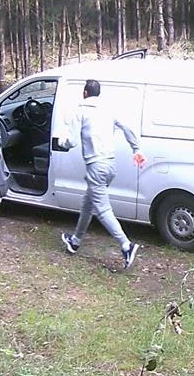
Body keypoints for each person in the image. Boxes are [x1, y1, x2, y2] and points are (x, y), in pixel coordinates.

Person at [56, 79, 146, 269]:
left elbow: (71, 142)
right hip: (110, 166)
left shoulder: (79, 110)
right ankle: (75, 241)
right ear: (99, 93)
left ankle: (126, 245)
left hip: (96, 167)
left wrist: (61, 142)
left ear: (85, 93)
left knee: (103, 210)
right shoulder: (108, 109)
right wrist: (136, 148)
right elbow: (127, 128)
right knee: (87, 205)